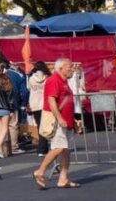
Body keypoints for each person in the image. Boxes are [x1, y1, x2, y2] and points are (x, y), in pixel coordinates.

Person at [33, 58, 83, 189]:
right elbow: (51, 101)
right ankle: (40, 171)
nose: (71, 69)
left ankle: (63, 179)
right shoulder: (54, 80)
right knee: (59, 147)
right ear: (60, 68)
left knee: (65, 150)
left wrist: (73, 120)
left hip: (65, 120)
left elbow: (66, 101)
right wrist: (60, 118)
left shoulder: (64, 81)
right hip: (58, 121)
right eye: (69, 67)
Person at [28, 62, 52, 156]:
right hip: (45, 104)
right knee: (46, 126)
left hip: (34, 104)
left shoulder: (31, 78)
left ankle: (43, 148)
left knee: (39, 126)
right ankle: (42, 149)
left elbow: (29, 89)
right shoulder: (48, 78)